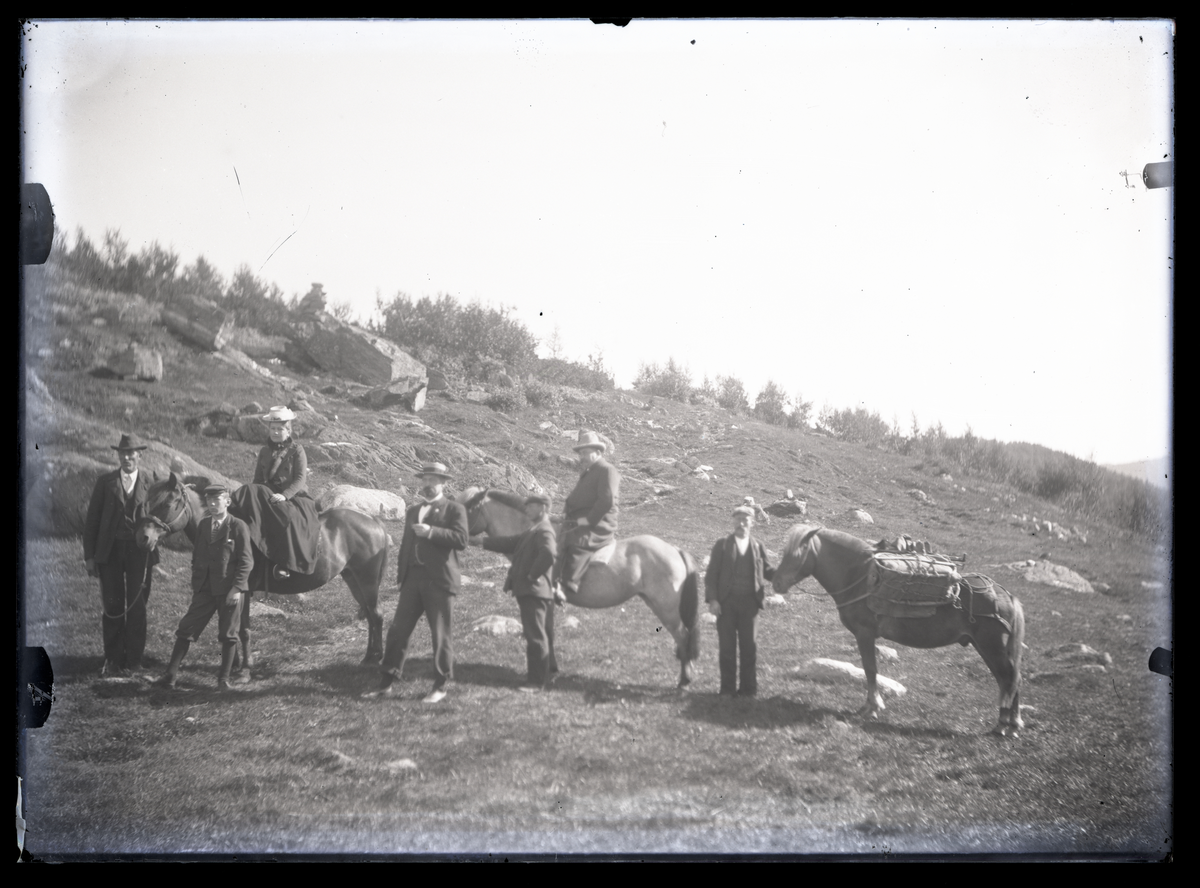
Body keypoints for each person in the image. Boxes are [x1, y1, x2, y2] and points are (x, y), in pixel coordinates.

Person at [365, 463, 468, 704]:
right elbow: (405, 547)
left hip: (440, 581)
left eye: (434, 480)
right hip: (413, 580)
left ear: (444, 483)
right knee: (398, 632)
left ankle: (440, 686)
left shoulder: (454, 509)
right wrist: (402, 578)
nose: (428, 484)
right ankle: (386, 683)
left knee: (441, 635)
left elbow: (462, 540)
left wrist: (432, 532)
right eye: (425, 480)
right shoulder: (413, 510)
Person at [159, 485, 254, 691]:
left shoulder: (238, 526)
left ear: (227, 502)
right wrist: (197, 582)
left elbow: (246, 562)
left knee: (229, 634)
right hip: (205, 589)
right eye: (209, 500)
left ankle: (223, 680)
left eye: (217, 499)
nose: (212, 504)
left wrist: (237, 588)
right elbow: (197, 556)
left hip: (230, 590)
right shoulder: (203, 525)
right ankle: (170, 676)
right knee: (186, 628)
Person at [83, 433, 159, 676]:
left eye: (132, 453)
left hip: (140, 553)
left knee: (138, 605)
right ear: (118, 455)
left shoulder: (151, 482)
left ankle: (134, 660)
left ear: (139, 455)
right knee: (113, 605)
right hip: (111, 551)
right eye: (123, 453)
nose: (127, 457)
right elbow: (92, 521)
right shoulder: (105, 482)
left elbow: (159, 520)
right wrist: (90, 556)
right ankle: (113, 659)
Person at [479, 494, 560, 692]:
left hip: (534, 590)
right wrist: (480, 542)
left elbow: (549, 554)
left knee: (535, 636)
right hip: (534, 590)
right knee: (539, 633)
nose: (526, 510)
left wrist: (532, 575)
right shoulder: (534, 529)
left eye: (530, 507)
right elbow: (510, 543)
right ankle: (548, 672)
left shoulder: (543, 530)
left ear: (542, 509)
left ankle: (535, 682)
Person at [228, 406, 320, 580]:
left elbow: (300, 478)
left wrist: (285, 495)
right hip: (268, 493)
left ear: (288, 430)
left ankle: (283, 563)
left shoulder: (296, 451)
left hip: (293, 496)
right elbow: (257, 480)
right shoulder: (264, 451)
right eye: (273, 429)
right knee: (249, 500)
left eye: (280, 429)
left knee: (288, 516)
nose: (276, 432)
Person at [705, 505, 776, 698]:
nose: (741, 523)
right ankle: (727, 690)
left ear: (752, 523)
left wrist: (784, 576)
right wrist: (713, 600)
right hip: (725, 605)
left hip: (750, 606)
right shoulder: (722, 545)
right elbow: (711, 575)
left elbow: (768, 571)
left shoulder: (758, 546)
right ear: (733, 522)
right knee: (727, 648)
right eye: (737, 520)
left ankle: (748, 690)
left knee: (749, 647)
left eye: (745, 520)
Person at [553, 431, 620, 597]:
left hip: (599, 524)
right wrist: (564, 514)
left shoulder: (607, 470)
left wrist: (588, 521)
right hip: (579, 519)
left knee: (575, 541)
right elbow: (577, 498)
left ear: (598, 452)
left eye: (585, 453)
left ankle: (568, 584)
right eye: (580, 453)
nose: (581, 457)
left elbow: (606, 501)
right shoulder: (589, 471)